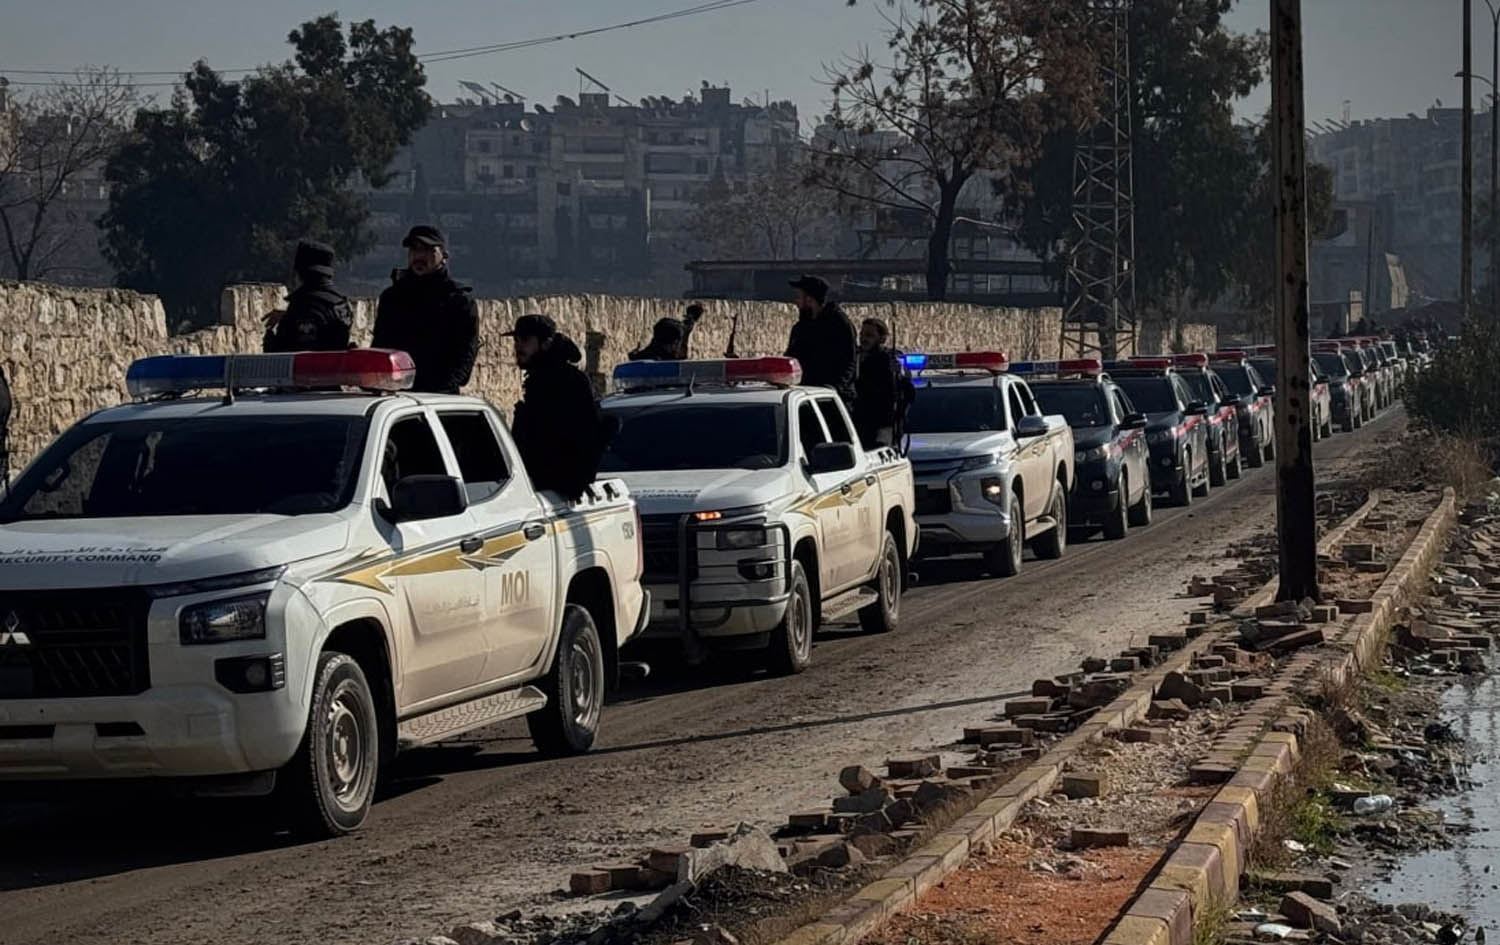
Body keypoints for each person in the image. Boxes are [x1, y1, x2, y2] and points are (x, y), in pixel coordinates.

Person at [506, 314, 610, 501]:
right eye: (517, 340)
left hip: (558, 488)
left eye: (525, 340)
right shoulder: (539, 379)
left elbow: (579, 435)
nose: (518, 346)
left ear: (545, 343)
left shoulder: (567, 381)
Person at [371, 225, 479, 394]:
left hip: (439, 396)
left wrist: (440, 390)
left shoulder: (458, 301)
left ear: (443, 256)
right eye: (414, 250)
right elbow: (381, 346)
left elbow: (464, 357)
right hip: (398, 394)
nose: (419, 256)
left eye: (428, 250)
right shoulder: (393, 298)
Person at [262, 240, 353, 353]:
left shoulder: (303, 305)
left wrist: (271, 341)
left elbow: (294, 353)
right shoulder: (340, 303)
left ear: (301, 272)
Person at [785, 275, 857, 404]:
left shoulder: (839, 324)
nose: (796, 302)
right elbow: (792, 357)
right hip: (804, 396)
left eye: (799, 297)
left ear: (809, 300)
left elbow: (848, 362)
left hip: (832, 399)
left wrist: (835, 389)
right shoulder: (801, 328)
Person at [852, 317, 915, 449]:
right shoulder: (854, 358)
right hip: (857, 424)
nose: (863, 339)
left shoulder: (888, 361)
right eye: (862, 334)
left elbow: (907, 393)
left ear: (882, 339)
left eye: (869, 335)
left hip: (881, 427)